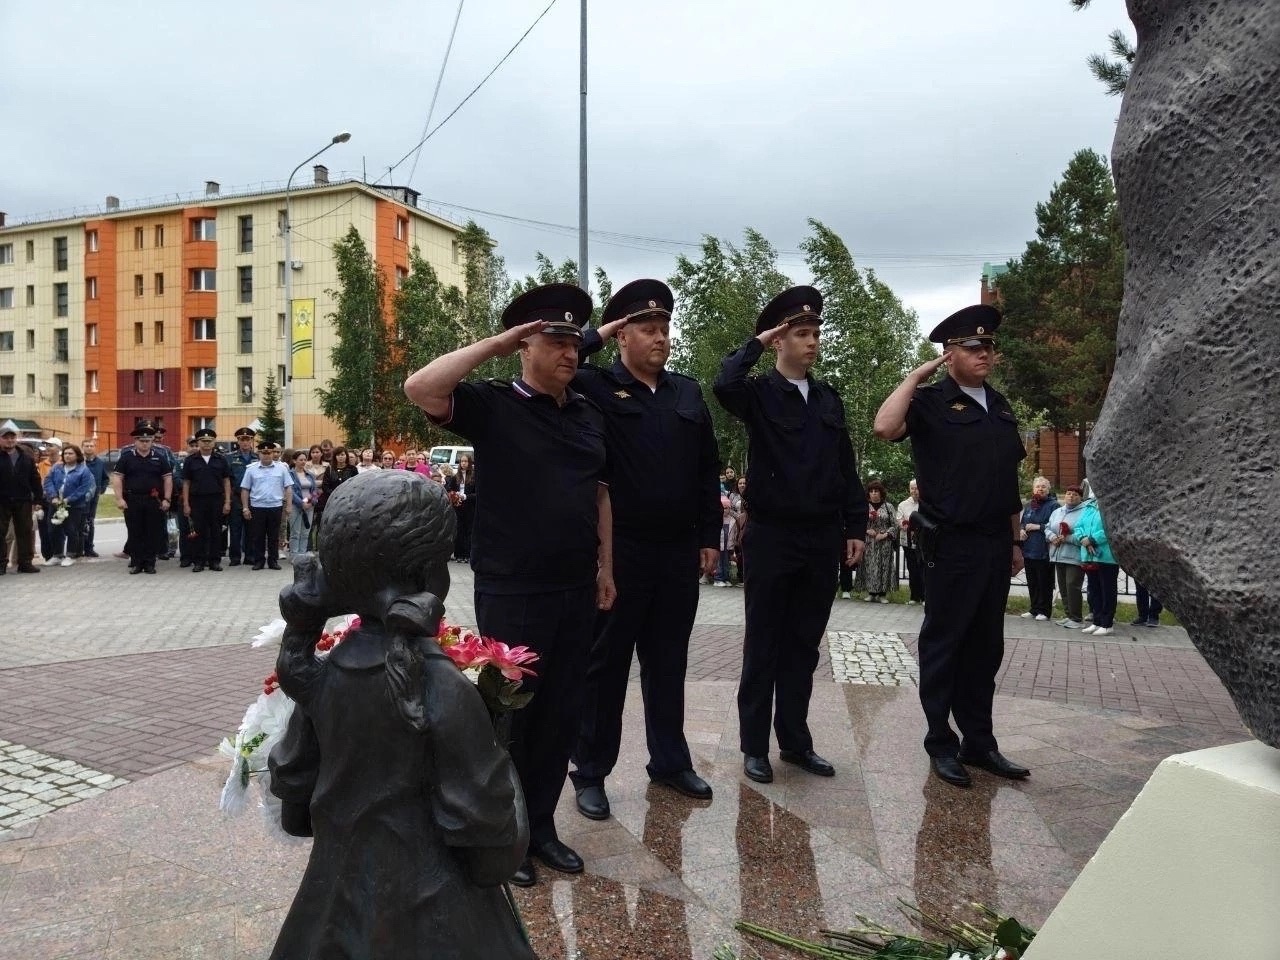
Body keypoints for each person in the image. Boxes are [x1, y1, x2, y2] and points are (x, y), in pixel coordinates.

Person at [405, 282, 616, 889]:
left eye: (575, 343)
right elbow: (420, 387)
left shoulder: (587, 413)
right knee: (511, 716)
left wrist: (606, 569)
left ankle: (542, 826)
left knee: (561, 714)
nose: (571, 353)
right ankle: (506, 833)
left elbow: (600, 495)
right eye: (557, 342)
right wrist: (494, 345)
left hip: (576, 587)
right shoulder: (494, 404)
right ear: (525, 346)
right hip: (515, 587)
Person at [567, 279, 720, 824]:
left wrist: (709, 537)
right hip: (621, 551)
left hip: (677, 551)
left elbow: (706, 469)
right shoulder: (595, 385)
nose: (660, 338)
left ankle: (670, 762)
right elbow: (565, 358)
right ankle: (590, 771)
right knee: (605, 665)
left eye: (664, 328)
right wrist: (600, 332)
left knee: (668, 661)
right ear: (623, 335)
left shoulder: (687, 393)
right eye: (647, 329)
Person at [713, 285, 867, 785]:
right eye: (801, 333)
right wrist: (759, 340)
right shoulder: (759, 393)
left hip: (820, 538)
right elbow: (723, 382)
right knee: (764, 644)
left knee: (804, 646)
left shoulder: (827, 398)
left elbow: (845, 469)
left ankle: (796, 742)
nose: (812, 341)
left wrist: (855, 526)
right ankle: (754, 747)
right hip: (773, 536)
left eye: (815, 332)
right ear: (780, 340)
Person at [873, 304, 1029, 789]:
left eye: (989, 346)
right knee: (944, 644)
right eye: (973, 346)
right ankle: (940, 742)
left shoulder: (999, 405)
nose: (985, 354)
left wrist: (1015, 539)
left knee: (986, 648)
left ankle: (979, 742)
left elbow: (1008, 482)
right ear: (950, 354)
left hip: (993, 543)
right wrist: (915, 376)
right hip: (951, 544)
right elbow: (884, 428)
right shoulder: (929, 401)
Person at [111, 422, 173, 575]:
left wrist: (167, 499)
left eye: (148, 441)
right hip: (132, 499)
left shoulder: (159, 457)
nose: (145, 444)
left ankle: (150, 563)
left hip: (153, 500)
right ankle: (137, 563)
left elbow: (167, 479)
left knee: (152, 531)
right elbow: (117, 478)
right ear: (135, 441)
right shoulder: (127, 458)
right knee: (135, 531)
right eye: (142, 440)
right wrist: (119, 499)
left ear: (152, 441)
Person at [181, 429, 232, 572]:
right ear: (198, 442)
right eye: (203, 441)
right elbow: (186, 483)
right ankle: (199, 561)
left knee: (216, 531)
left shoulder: (221, 459)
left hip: (216, 500)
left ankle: (214, 561)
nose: (206, 444)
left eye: (209, 441)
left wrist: (227, 502)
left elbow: (226, 481)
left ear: (214, 442)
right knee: (199, 531)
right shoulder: (191, 460)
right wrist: (186, 503)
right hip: (197, 500)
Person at [0, 421, 46, 575]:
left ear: (16, 439)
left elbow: (35, 479)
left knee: (25, 531)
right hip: (2, 501)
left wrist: (38, 499)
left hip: (23, 500)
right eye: (6, 438)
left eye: (12, 437)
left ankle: (25, 563)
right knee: (1, 532)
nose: (9, 440)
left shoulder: (25, 457)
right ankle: (1, 564)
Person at [240, 441, 294, 571]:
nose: (266, 455)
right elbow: (245, 489)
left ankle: (273, 561)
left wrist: (289, 505)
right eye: (263, 453)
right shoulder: (251, 469)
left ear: (273, 453)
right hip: (257, 507)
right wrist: (245, 507)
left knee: (274, 536)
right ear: (259, 454)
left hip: (275, 506)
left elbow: (288, 487)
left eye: (269, 453)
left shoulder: (282, 468)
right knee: (258, 536)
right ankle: (259, 561)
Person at [1074, 487, 1119, 637]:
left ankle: (1107, 623)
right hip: (1089, 554)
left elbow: (1111, 527)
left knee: (1107, 590)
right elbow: (1078, 526)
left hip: (1106, 556)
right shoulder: (1089, 506)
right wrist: (1083, 539)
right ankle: (1097, 621)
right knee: (1094, 589)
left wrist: (1092, 539)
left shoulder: (1111, 505)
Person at [42, 444, 94, 565]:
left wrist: (69, 499)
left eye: (70, 453)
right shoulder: (57, 467)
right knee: (53, 529)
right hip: (55, 503)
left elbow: (83, 488)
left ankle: (70, 555)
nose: (67, 456)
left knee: (72, 530)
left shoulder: (83, 470)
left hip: (74, 505)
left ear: (77, 455)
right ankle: (57, 555)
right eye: (65, 453)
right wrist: (53, 497)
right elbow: (48, 481)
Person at [1047, 484, 1088, 629]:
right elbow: (1048, 527)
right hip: (1058, 554)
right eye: (1069, 493)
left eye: (1075, 495)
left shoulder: (1084, 512)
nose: (1071, 496)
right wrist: (1052, 537)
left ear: (1081, 498)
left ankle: (1076, 618)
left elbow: (1084, 534)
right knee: (1063, 587)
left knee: (1072, 586)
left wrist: (1067, 538)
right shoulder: (1057, 511)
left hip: (1074, 556)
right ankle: (1069, 615)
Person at [1019, 476, 1058, 621]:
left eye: (1043, 487)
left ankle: (1044, 611)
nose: (1040, 489)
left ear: (1048, 489)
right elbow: (1023, 522)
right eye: (1037, 486)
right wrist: (1021, 530)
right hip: (1029, 549)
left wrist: (1038, 527)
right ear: (1033, 489)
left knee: (1044, 582)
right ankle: (1034, 608)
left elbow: (1055, 526)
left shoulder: (1054, 506)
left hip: (1044, 550)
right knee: (1032, 581)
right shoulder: (1030, 505)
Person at [857, 479, 899, 602]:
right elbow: (858, 523)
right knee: (870, 566)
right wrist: (866, 530)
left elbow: (895, 525)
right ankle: (871, 593)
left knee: (883, 567)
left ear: (881, 493)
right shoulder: (864, 506)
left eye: (876, 491)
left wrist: (885, 534)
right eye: (871, 491)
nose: (874, 493)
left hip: (884, 542)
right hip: (869, 542)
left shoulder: (888, 506)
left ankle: (882, 595)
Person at [226, 427, 259, 567]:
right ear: (238, 441)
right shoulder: (230, 458)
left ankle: (250, 556)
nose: (245, 442)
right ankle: (235, 557)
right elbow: (226, 479)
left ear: (252, 441)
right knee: (235, 529)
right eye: (242, 440)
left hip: (253, 497)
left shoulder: (257, 458)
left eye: (248, 440)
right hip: (236, 497)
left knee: (251, 528)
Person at [896, 479, 925, 604]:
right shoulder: (903, 505)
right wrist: (904, 525)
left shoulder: (925, 504)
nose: (915, 491)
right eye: (912, 488)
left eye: (917, 488)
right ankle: (914, 597)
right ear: (909, 489)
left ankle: (924, 597)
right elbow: (899, 519)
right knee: (912, 569)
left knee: (922, 569)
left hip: (922, 542)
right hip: (907, 541)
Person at [444, 454, 476, 561]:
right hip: (458, 507)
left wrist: (466, 496)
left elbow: (477, 493)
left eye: (466, 461)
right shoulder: (455, 476)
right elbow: (449, 489)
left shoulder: (474, 477)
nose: (463, 463)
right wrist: (455, 495)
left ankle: (467, 554)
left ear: (469, 463)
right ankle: (459, 554)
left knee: (469, 530)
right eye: (462, 461)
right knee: (459, 530)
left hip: (470, 507)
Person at [80, 438, 108, 558]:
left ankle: (89, 548)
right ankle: (78, 548)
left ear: (95, 447)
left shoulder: (100, 463)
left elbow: (105, 478)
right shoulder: (79, 462)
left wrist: (102, 489)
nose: (89, 448)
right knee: (79, 523)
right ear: (82, 447)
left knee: (90, 522)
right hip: (79, 498)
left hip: (93, 499)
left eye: (91, 446)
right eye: (86, 446)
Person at [288, 450, 318, 558]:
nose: (303, 462)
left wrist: (312, 502)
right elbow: (290, 491)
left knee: (306, 531)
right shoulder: (290, 474)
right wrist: (301, 503)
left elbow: (314, 490)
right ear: (294, 461)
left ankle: (302, 554)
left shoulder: (310, 474)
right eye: (300, 460)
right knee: (295, 532)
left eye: (305, 460)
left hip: (309, 506)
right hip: (296, 506)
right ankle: (294, 555)